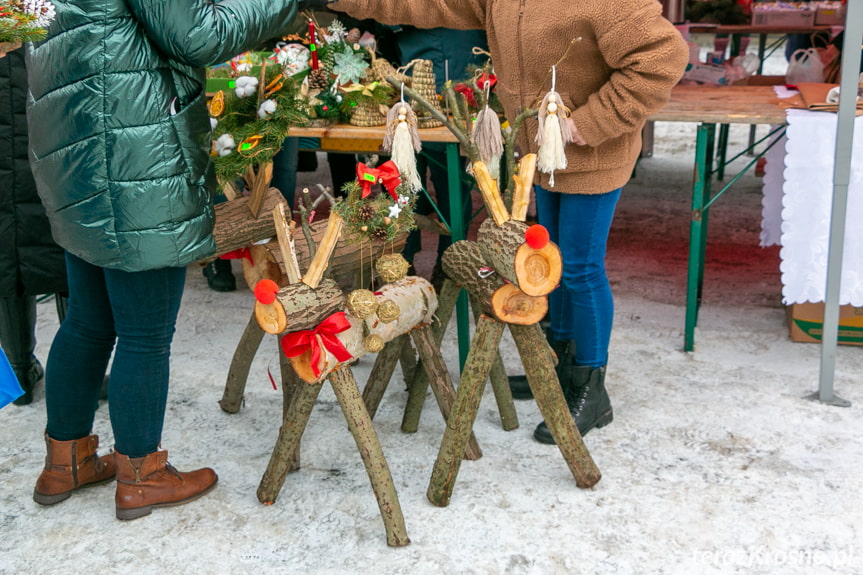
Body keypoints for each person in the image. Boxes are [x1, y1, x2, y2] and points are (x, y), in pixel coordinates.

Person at [331, 0, 689, 443]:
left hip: (594, 155)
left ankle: (591, 390)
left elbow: (662, 58)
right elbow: (428, 3)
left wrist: (592, 122)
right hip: (545, 155)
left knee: (580, 268)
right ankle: (558, 370)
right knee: (550, 262)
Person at [24, 0, 321, 519]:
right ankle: (142, 475)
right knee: (144, 333)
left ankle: (64, 461)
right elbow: (199, 34)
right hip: (137, 153)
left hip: (77, 148)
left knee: (89, 320)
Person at [393, 26, 489, 288]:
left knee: (450, 184)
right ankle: (403, 262)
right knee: (402, 179)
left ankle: (449, 264)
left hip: (456, 79)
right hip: (414, 74)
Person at [0, 47, 68, 407]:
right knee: (64, 242)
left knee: (6, 250)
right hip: (47, 126)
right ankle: (78, 371)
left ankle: (19, 369)